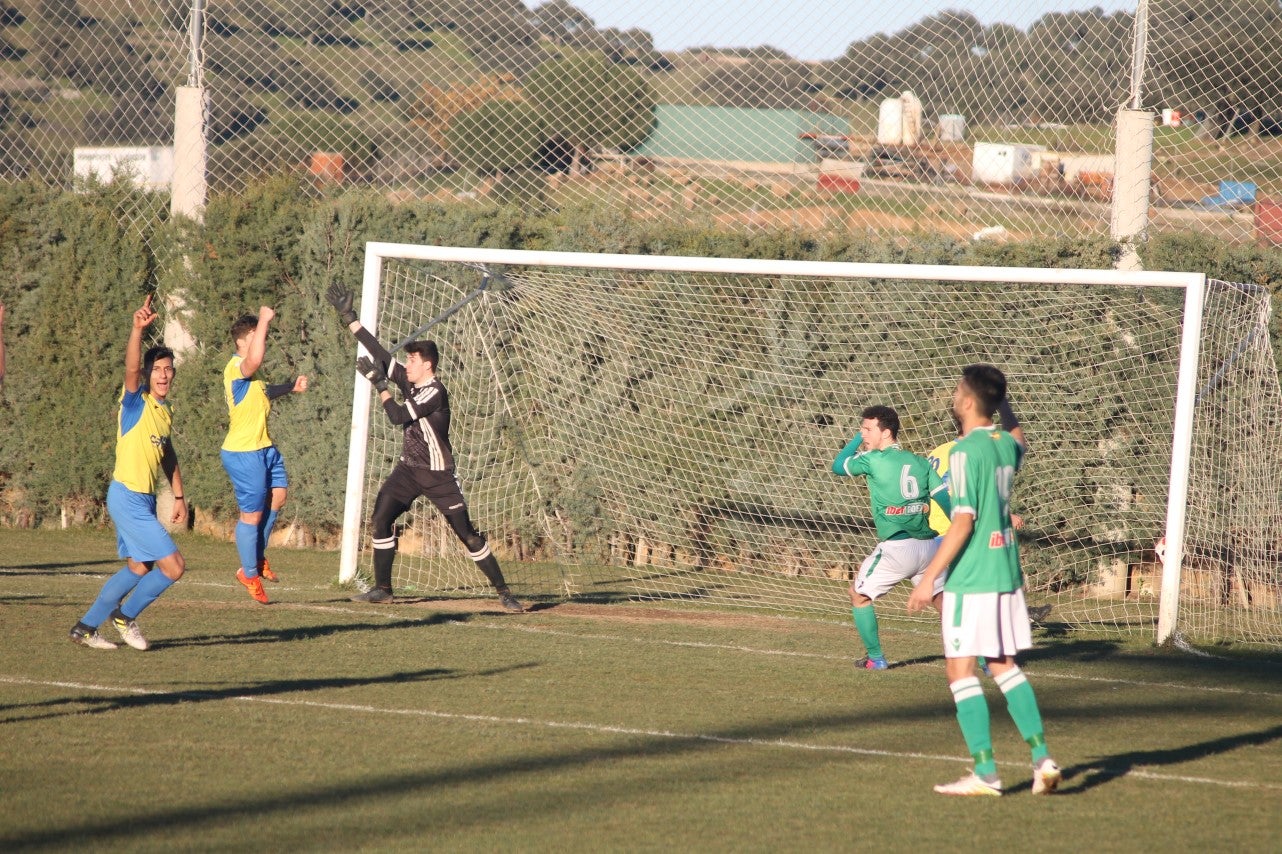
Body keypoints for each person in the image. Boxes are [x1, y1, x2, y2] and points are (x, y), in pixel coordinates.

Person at [908, 364, 1061, 797]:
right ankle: (1042, 758)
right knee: (1002, 665)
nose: (953, 395)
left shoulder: (964, 451)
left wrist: (928, 579)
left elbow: (962, 523)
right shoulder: (1003, 446)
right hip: (1006, 572)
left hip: (971, 576)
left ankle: (986, 773)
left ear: (969, 401)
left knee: (960, 670)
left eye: (958, 389)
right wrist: (1003, 401)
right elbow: (1018, 437)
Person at [326, 282, 524, 612]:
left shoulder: (435, 392)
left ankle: (504, 592)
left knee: (468, 535)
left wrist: (380, 387)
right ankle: (383, 589)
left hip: (437, 474)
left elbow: (398, 415)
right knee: (380, 518)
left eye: (413, 360)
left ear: (427, 365)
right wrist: (350, 318)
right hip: (408, 470)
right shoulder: (410, 379)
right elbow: (380, 354)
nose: (408, 364)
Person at [70, 295, 187, 650]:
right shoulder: (136, 401)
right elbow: (131, 370)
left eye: (168, 368)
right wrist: (137, 330)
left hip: (143, 499)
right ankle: (125, 616)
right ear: (148, 376)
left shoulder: (164, 412)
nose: (164, 374)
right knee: (174, 567)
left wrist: (179, 495)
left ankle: (85, 627)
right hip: (127, 497)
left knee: (139, 568)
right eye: (158, 369)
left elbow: (167, 455)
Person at [832, 405, 950, 670]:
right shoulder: (921, 462)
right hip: (928, 547)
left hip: (898, 548)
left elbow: (838, 466)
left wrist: (855, 440)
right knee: (944, 604)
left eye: (867, 429)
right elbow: (945, 501)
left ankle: (876, 658)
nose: (863, 434)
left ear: (886, 433)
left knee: (858, 595)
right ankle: (983, 659)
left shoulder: (873, 459)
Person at [221, 307, 309, 604]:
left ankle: (257, 558)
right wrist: (264, 321)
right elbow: (255, 358)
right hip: (244, 452)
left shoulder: (253, 377)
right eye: (257, 337)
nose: (263, 343)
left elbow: (264, 391)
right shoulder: (236, 367)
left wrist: (290, 387)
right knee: (252, 514)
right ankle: (248, 572)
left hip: (264, 449)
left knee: (279, 496)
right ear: (243, 341)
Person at [928, 423, 1050, 624]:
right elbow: (957, 494)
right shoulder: (964, 454)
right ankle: (1015, 615)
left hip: (935, 528)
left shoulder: (939, 450)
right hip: (952, 529)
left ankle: (1013, 613)